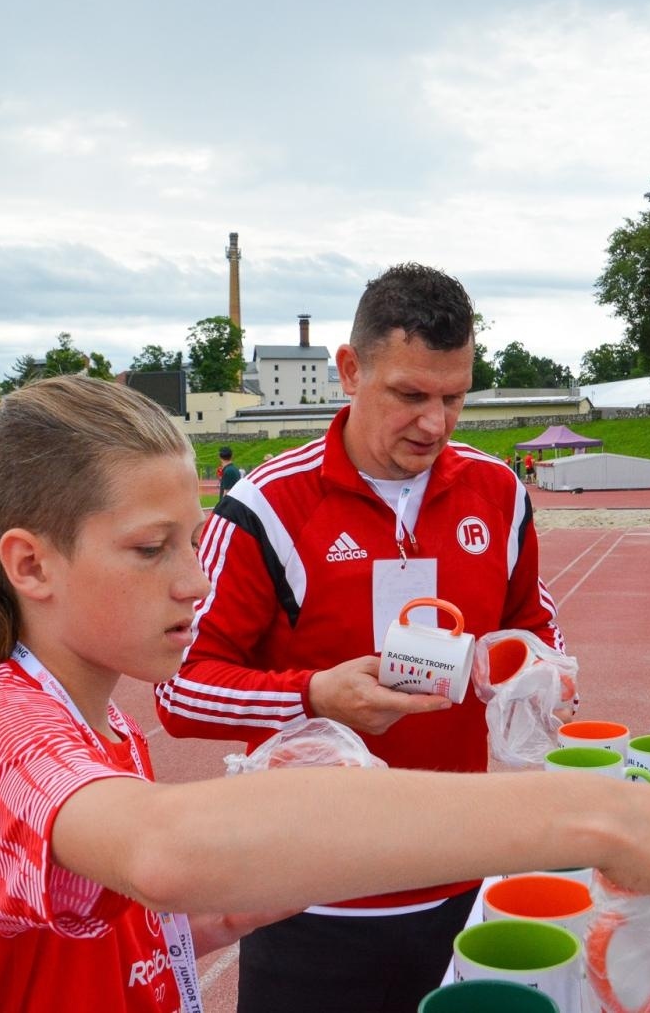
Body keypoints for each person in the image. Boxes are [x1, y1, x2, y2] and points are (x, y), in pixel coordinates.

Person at [0, 374, 650, 1013]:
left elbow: (143, 926)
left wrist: (318, 836)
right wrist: (605, 817)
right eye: (149, 548)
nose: (193, 583)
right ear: (30, 564)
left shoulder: (102, 730)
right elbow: (164, 852)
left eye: (190, 541)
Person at [153, 264, 568, 1010]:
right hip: (308, 893)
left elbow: (534, 626)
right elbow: (179, 687)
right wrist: (314, 695)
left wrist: (534, 672)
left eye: (454, 397)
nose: (435, 424)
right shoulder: (264, 509)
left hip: (458, 871)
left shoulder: (499, 493)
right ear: (350, 371)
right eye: (410, 395)